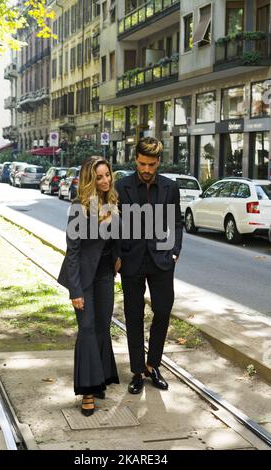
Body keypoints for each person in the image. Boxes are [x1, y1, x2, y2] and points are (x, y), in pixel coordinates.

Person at [115, 137, 183, 394]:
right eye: (142, 164)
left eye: (151, 165)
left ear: (158, 163)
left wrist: (175, 252)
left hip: (162, 260)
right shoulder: (122, 187)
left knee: (163, 311)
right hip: (131, 261)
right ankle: (136, 370)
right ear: (135, 160)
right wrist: (117, 256)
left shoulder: (170, 187)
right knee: (133, 316)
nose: (146, 169)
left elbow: (176, 222)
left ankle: (153, 365)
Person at [58, 156, 121, 416]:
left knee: (102, 327)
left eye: (107, 175)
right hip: (83, 278)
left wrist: (118, 258)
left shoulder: (112, 202)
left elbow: (116, 238)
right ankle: (87, 391)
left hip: (105, 274)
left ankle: (100, 380)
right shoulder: (78, 207)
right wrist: (75, 291)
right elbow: (72, 252)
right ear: (89, 180)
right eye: (99, 177)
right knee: (86, 328)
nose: (105, 180)